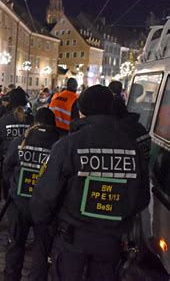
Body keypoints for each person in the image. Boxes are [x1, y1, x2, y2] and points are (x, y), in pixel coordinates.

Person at [31, 85, 150, 281]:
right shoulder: (132, 147)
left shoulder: (69, 145)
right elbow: (141, 197)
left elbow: (45, 195)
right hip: (111, 238)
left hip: (73, 237)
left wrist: (44, 222)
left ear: (81, 110)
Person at [3, 108, 60, 280]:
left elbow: (7, 167)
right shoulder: (60, 144)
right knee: (42, 251)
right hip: (46, 207)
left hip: (19, 203)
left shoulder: (22, 141)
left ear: (35, 122)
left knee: (15, 245)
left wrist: (12, 191)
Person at [0, 88, 34, 199]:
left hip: (8, 163)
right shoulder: (32, 120)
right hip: (26, 163)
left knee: (8, 197)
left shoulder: (3, 121)